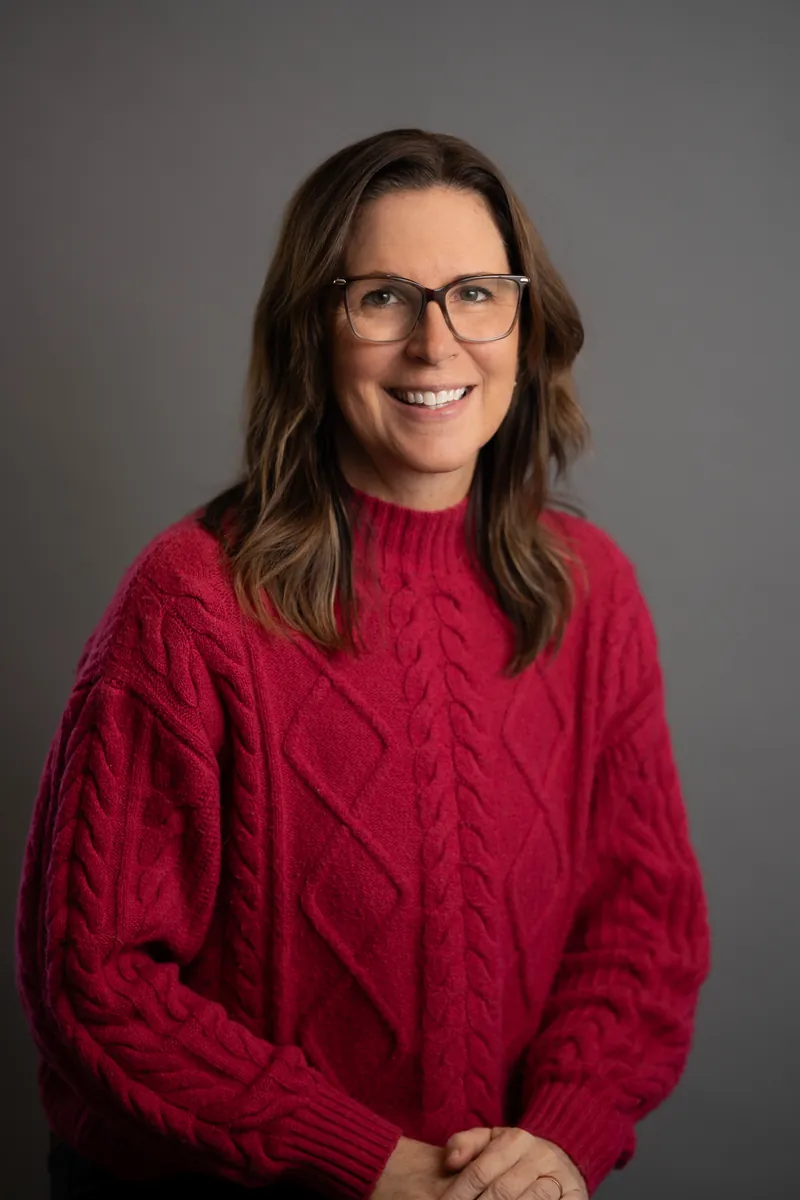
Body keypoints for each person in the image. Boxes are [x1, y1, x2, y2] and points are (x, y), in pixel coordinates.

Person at [15, 128, 710, 1200]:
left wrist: (563, 1133)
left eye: (475, 292)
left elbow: (641, 926)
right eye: (382, 297)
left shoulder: (590, 592)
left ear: (522, 328)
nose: (436, 346)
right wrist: (364, 1163)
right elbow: (94, 981)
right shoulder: (191, 604)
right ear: (312, 330)